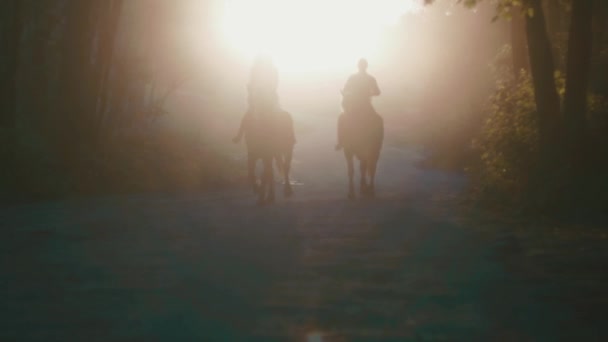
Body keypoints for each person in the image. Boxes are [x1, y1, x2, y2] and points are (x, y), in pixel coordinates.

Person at [336, 58, 381, 150]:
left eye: (362, 66)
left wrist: (350, 94)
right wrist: (369, 93)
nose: (362, 67)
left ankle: (341, 142)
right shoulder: (369, 78)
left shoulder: (355, 78)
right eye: (362, 66)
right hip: (364, 105)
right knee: (378, 120)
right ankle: (377, 142)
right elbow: (378, 92)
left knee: (342, 119)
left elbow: (377, 92)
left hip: (357, 105)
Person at [233, 55, 279, 143]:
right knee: (249, 113)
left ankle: (280, 139)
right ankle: (239, 135)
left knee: (277, 114)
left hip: (270, 97)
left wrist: (269, 91)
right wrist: (252, 90)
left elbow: (275, 83)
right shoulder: (255, 69)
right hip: (257, 97)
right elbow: (252, 81)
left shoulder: (273, 70)